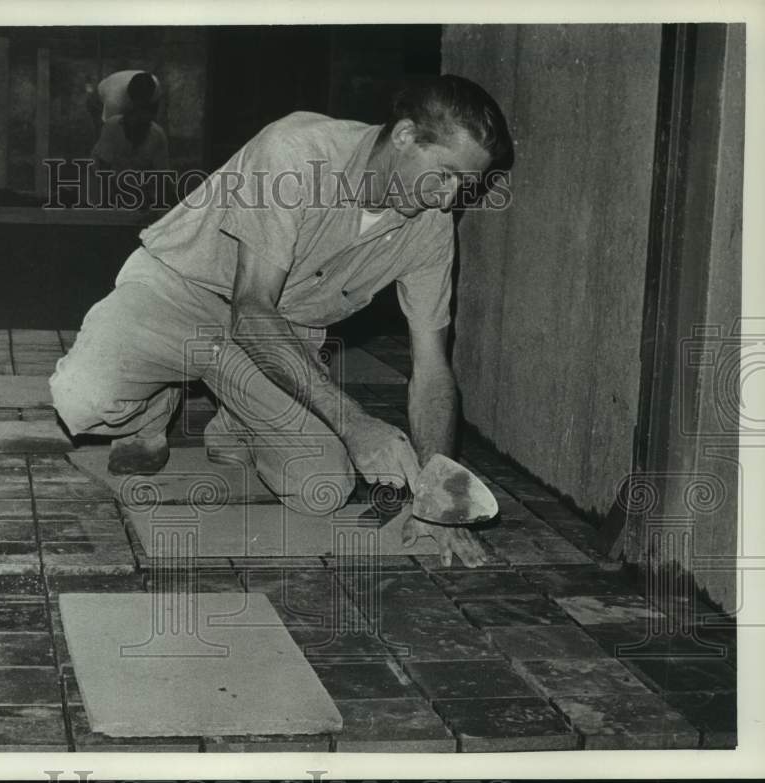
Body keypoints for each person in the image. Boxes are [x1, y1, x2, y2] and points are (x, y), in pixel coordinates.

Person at [51, 75, 513, 566]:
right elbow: (250, 308)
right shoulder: (297, 152)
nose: (447, 199)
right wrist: (354, 423)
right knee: (85, 396)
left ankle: (236, 417)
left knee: (322, 487)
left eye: (465, 185)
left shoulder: (433, 227)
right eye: (443, 174)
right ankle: (150, 412)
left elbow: (432, 372)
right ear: (404, 136)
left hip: (272, 337)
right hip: (181, 293)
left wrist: (439, 501)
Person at [91, 71, 169, 206]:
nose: (140, 124)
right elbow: (103, 171)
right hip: (109, 187)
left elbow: (162, 180)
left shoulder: (157, 135)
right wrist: (113, 198)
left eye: (145, 114)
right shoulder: (113, 113)